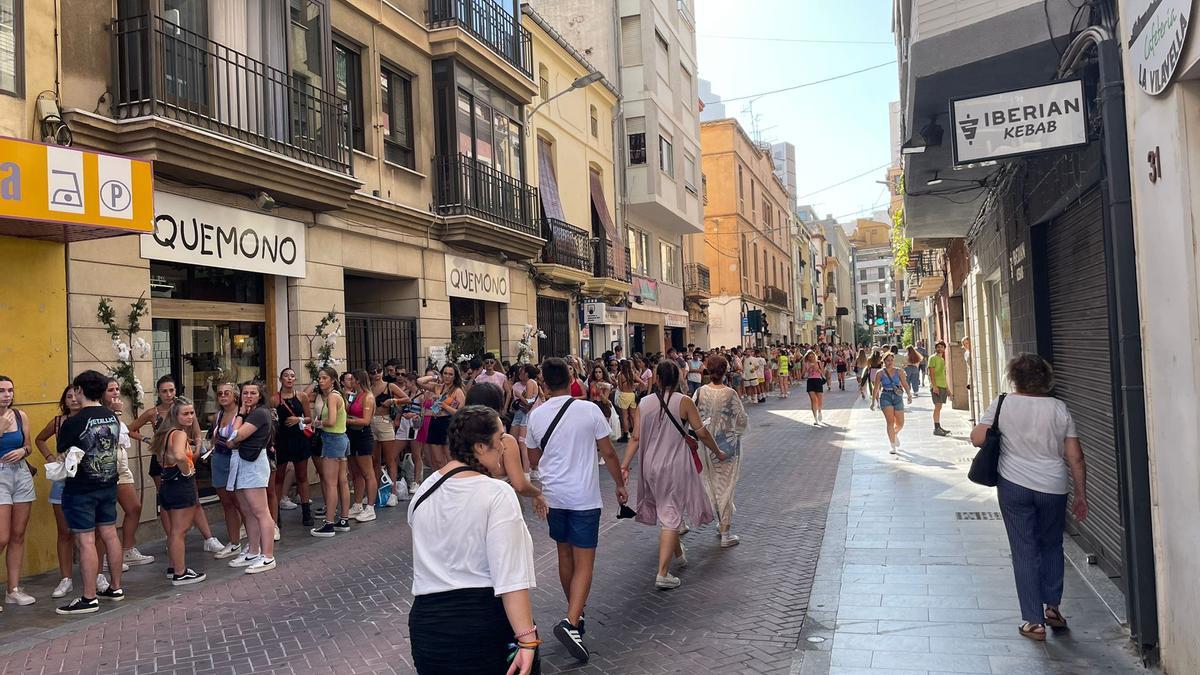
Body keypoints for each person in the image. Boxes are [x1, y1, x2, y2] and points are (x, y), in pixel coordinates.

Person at [408, 405, 540, 674]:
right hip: (481, 622)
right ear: (481, 447)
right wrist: (527, 640)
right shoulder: (497, 494)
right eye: (500, 439)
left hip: (428, 626)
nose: (504, 446)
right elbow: (510, 575)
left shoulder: (424, 489)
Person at [970, 354, 1088, 642]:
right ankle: (1053, 609)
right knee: (1051, 545)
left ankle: (1033, 623)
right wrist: (1081, 494)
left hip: (1014, 485)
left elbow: (977, 437)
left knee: (1024, 549)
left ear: (1014, 378)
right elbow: (1075, 457)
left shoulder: (1003, 404)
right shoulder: (1059, 408)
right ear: (1046, 379)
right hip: (1053, 487)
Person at [523, 357, 628, 663]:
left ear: (543, 384)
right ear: (571, 380)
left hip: (554, 496)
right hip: (583, 496)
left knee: (564, 554)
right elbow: (608, 452)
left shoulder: (537, 416)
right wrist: (620, 484)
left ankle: (575, 616)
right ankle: (571, 623)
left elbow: (532, 458)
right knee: (585, 562)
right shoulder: (589, 409)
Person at [620, 361, 723, 590]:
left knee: (667, 509)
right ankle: (662, 573)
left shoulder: (644, 403)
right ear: (678, 378)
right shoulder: (684, 402)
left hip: (650, 466)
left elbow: (635, 438)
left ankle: (678, 553)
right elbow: (702, 432)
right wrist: (717, 451)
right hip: (675, 465)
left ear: (656, 379)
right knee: (671, 513)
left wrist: (624, 465)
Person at [55, 370, 127, 614]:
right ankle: (115, 587)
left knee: (85, 540)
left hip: (81, 488)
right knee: (110, 534)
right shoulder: (112, 417)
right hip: (108, 484)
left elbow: (63, 452)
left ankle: (89, 597)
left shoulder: (73, 422)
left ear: (79, 390)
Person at [128, 375, 224, 555]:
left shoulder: (183, 410)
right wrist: (148, 439)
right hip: (161, 461)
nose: (168, 394)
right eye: (164, 391)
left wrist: (196, 448)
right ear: (158, 393)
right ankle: (171, 538)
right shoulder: (153, 413)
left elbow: (196, 433)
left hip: (185, 459)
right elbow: (130, 429)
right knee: (165, 504)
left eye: (171, 390)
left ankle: (208, 538)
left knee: (194, 499)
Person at [692, 355, 748, 548]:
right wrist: (734, 433)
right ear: (725, 371)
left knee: (712, 484)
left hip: (705, 446)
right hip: (728, 446)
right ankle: (726, 532)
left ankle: (721, 523)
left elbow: (691, 417)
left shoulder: (699, 392)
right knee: (726, 486)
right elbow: (742, 420)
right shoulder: (730, 393)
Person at [152, 396, 207, 585]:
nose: (190, 417)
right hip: (180, 484)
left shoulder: (166, 433)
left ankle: (174, 567)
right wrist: (187, 471)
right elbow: (178, 455)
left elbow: (162, 458)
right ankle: (180, 572)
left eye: (192, 413)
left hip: (167, 483)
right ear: (176, 415)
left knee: (174, 530)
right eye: (186, 413)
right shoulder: (180, 434)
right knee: (179, 531)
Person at [225, 382, 278, 573]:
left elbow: (234, 436)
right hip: (242, 461)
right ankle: (253, 551)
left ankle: (268, 556)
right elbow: (230, 441)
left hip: (253, 463)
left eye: (252, 393)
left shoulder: (259, 413)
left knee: (260, 511)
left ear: (260, 395)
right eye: (245, 393)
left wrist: (239, 415)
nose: (248, 396)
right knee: (247, 510)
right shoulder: (250, 413)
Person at [0, 375, 36, 609]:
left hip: (21, 474)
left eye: (10, 390)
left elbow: (29, 446)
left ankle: (12, 588)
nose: (7, 395)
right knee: (1, 536)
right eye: (2, 391)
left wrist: (23, 451)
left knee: (18, 534)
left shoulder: (20, 416)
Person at [311, 367, 352, 537]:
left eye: (324, 378)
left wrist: (316, 423)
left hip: (332, 439)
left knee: (330, 483)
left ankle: (328, 523)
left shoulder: (332, 397)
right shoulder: (337, 395)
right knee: (342, 481)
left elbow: (331, 421)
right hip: (341, 438)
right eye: (319, 378)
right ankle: (343, 519)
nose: (321, 381)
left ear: (333, 380)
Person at [207, 381, 245, 561]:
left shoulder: (243, 414)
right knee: (227, 502)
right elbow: (214, 438)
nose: (222, 396)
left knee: (240, 502)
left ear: (235, 396)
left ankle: (255, 542)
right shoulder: (218, 415)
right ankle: (234, 542)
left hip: (236, 459)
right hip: (219, 459)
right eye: (220, 393)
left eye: (226, 393)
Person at [273, 368, 315, 526]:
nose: (289, 379)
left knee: (302, 476)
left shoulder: (302, 396)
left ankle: (306, 512)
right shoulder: (274, 399)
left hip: (299, 439)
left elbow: (309, 418)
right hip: (282, 440)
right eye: (286, 376)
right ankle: (276, 514)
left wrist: (299, 419)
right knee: (279, 477)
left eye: (292, 376)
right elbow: (272, 421)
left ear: (295, 379)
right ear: (281, 379)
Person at [368, 363, 410, 506]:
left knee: (390, 459)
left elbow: (406, 399)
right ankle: (376, 491)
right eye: (373, 372)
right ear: (370, 374)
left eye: (379, 371)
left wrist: (393, 401)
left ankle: (393, 493)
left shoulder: (389, 386)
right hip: (372, 422)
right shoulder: (369, 388)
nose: (377, 374)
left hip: (385, 422)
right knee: (375, 460)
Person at [342, 370, 379, 522]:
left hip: (363, 435)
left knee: (367, 472)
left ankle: (370, 506)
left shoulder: (368, 397)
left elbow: (365, 420)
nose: (349, 382)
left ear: (357, 381)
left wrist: (347, 420)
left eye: (351, 379)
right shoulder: (354, 394)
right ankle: (357, 504)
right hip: (352, 434)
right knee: (355, 472)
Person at [417, 364, 466, 469]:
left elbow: (460, 412)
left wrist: (445, 406)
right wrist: (435, 376)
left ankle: (453, 481)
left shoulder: (457, 391)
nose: (447, 376)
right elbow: (419, 382)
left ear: (455, 376)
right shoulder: (438, 387)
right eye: (445, 373)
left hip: (448, 423)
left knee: (450, 458)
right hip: (435, 422)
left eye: (450, 374)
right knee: (437, 460)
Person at [874, 352, 913, 454]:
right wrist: (873, 401)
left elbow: (904, 383)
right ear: (884, 361)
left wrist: (909, 394)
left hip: (897, 397)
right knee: (890, 422)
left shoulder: (899, 371)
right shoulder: (880, 373)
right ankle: (892, 445)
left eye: (891, 360)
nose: (890, 362)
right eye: (888, 360)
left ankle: (894, 434)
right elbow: (876, 387)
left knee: (900, 423)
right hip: (886, 396)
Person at [510, 364, 541, 474]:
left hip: (527, 414)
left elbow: (529, 402)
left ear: (527, 373)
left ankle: (526, 472)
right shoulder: (533, 382)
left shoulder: (530, 382)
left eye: (522, 371)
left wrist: (519, 396)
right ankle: (524, 470)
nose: (520, 374)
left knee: (523, 443)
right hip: (522, 414)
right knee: (516, 441)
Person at [929, 341, 951, 436]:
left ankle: (939, 427)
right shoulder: (932, 358)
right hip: (936, 386)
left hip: (942, 386)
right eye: (938, 347)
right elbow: (931, 373)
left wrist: (947, 388)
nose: (940, 349)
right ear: (935, 348)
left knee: (939, 407)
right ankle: (936, 428)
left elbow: (943, 374)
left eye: (941, 347)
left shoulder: (941, 359)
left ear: (944, 348)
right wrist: (934, 386)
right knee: (937, 407)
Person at [801, 351, 825, 424]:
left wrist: (817, 369)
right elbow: (802, 375)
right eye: (809, 357)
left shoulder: (818, 362)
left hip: (818, 381)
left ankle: (820, 412)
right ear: (807, 358)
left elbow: (823, 372)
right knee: (813, 400)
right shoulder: (806, 364)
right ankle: (815, 419)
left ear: (814, 356)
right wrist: (808, 369)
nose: (811, 358)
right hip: (810, 381)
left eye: (812, 356)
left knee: (819, 399)